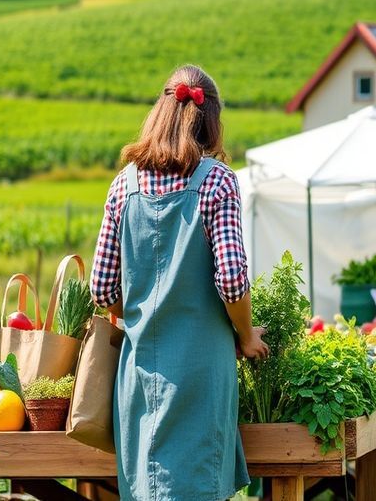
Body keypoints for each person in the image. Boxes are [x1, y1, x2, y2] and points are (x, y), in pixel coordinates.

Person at [90, 65, 270, 500]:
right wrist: (246, 335)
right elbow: (231, 281)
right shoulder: (217, 182)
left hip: (138, 379)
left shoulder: (122, 188)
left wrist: (142, 313)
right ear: (211, 122)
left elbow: (101, 289)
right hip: (199, 377)